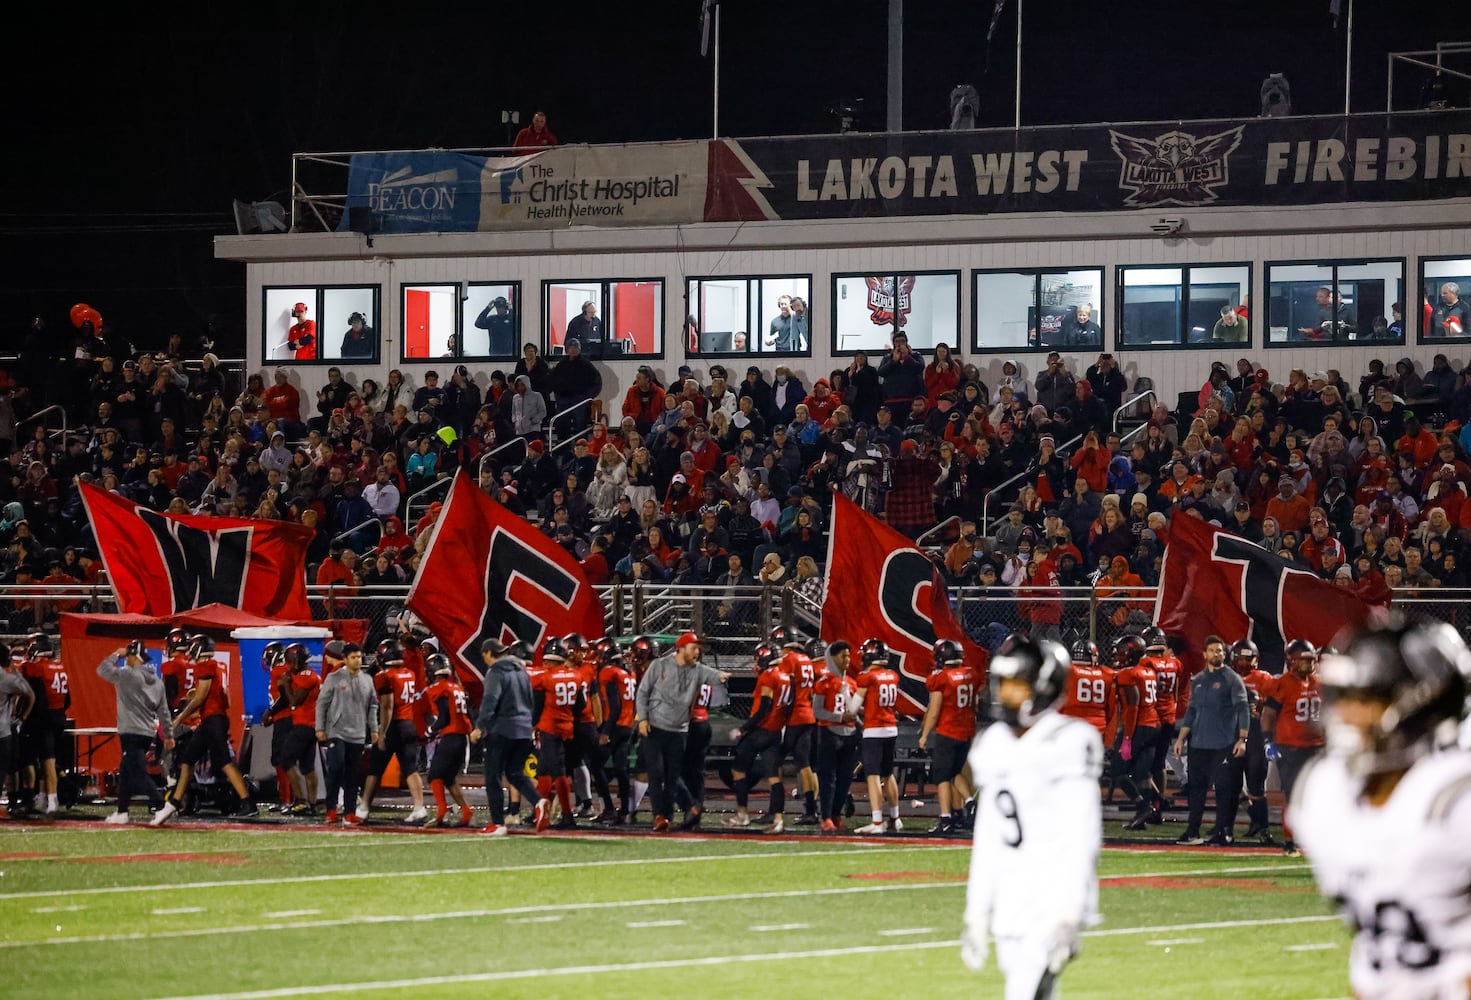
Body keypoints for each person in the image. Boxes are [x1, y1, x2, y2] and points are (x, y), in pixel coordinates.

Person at [1295, 620, 1471, 1000]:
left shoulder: (1456, 799)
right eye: (1344, 697)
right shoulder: (1324, 794)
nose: (1349, 714)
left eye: (1368, 699)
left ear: (1425, 703)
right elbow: (1378, 953)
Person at [961, 634, 1102, 1000]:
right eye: (1002, 684)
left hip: (1050, 893)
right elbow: (989, 835)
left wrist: (1071, 910)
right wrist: (977, 910)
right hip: (1011, 895)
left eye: (1015, 685)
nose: (1004, 694)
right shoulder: (993, 743)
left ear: (1043, 687)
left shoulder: (1069, 740)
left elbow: (1081, 833)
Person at [151, 634, 259, 824]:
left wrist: (180, 719)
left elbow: (199, 698)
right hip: (211, 719)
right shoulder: (214, 667)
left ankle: (248, 803)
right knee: (188, 759)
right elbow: (226, 698)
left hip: (213, 720)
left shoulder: (206, 666)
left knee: (225, 763)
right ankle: (175, 802)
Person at [635, 631, 729, 832]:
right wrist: (643, 718)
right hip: (655, 727)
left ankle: (670, 814)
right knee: (656, 772)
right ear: (682, 648)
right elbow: (643, 692)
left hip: (679, 730)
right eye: (693, 648)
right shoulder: (659, 665)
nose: (697, 652)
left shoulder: (697, 669)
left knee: (672, 776)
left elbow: (712, 674)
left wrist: (721, 676)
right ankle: (660, 815)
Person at [1172, 635, 1250, 846]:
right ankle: (1193, 831)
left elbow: (1243, 709)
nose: (1218, 654)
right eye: (1214, 650)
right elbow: (1191, 711)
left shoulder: (1232, 679)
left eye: (1221, 651)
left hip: (1223, 744)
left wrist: (1242, 739)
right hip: (1198, 743)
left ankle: (1223, 831)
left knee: (1224, 790)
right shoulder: (1198, 680)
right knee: (1196, 789)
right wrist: (1181, 738)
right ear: (1205, 654)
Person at [1259, 638, 1324, 855]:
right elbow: (1268, 714)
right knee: (1293, 796)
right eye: (1302, 660)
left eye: (1310, 659)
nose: (1308, 664)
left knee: (1319, 795)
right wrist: (1268, 740)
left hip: (1318, 747)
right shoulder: (1282, 684)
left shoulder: (1321, 683)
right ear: (1291, 661)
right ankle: (1290, 842)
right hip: (1291, 748)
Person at [471, 639, 542, 837]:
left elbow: (491, 700)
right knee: (514, 773)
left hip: (502, 730)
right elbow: (531, 701)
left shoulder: (496, 671)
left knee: (492, 776)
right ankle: (539, 802)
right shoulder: (522, 671)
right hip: (523, 730)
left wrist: (480, 726)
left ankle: (497, 823)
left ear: (488, 653)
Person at [97, 640, 170, 823]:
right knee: (126, 770)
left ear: (132, 656)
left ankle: (161, 805)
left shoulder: (127, 675)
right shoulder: (157, 681)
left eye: (127, 656)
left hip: (131, 731)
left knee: (137, 772)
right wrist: (168, 734)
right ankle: (122, 812)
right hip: (147, 732)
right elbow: (164, 711)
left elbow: (102, 670)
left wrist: (116, 654)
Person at [724, 642, 793, 833]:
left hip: (760, 731)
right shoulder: (786, 676)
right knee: (773, 777)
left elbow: (764, 708)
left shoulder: (769, 676)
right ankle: (778, 820)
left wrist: (744, 728)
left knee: (738, 770)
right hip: (775, 731)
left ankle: (743, 814)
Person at [357, 638, 428, 824]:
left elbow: (387, 707)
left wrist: (382, 733)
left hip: (394, 726)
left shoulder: (384, 676)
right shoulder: (409, 673)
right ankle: (419, 807)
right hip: (409, 724)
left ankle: (363, 807)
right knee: (410, 768)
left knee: (375, 769)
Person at [918, 638, 982, 835]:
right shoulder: (970, 674)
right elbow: (975, 703)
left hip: (948, 731)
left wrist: (924, 735)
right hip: (966, 731)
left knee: (943, 777)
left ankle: (945, 818)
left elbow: (935, 711)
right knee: (955, 772)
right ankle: (969, 802)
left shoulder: (942, 678)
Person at [315, 639, 379, 824]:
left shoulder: (367, 680)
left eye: (359, 657)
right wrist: (320, 727)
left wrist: (373, 728)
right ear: (345, 658)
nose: (358, 660)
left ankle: (350, 812)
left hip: (358, 733)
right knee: (335, 768)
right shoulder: (334, 678)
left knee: (353, 773)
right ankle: (331, 809)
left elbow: (373, 706)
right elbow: (322, 704)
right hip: (337, 732)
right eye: (353, 657)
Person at [852, 638, 903, 834]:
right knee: (888, 774)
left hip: (874, 730)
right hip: (891, 728)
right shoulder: (892, 676)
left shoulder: (867, 677)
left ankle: (876, 822)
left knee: (872, 776)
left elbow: (853, 709)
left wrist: (845, 694)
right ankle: (895, 817)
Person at [421, 653, 475, 828]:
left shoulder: (440, 688)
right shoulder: (455, 687)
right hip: (462, 737)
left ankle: (442, 811)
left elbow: (444, 718)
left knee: (434, 776)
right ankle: (466, 811)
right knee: (449, 778)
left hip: (451, 736)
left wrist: (429, 731)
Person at [813, 640, 859, 833]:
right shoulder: (824, 683)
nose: (847, 659)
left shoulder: (851, 683)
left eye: (848, 655)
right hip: (829, 733)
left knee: (845, 778)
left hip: (849, 734)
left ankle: (836, 813)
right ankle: (826, 817)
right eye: (843, 656)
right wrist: (840, 716)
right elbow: (817, 711)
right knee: (828, 778)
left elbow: (855, 709)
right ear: (832, 658)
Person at [20, 632, 69, 814]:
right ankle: (43, 795)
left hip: (45, 720)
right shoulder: (60, 666)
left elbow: (37, 695)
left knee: (48, 762)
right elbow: (68, 700)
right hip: (59, 717)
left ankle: (53, 799)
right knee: (45, 760)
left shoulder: (39, 668)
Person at [282, 643, 323, 816]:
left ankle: (300, 800)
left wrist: (285, 684)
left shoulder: (306, 676)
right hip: (311, 725)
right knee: (307, 766)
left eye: (290, 660)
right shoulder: (308, 675)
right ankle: (312, 803)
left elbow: (294, 701)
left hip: (304, 725)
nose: (289, 664)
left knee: (286, 758)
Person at [0, 644, 36, 817]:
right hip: (4, 730)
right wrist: (23, 718)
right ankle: (12, 803)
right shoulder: (7, 678)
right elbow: (30, 693)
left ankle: (13, 802)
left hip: (6, 727)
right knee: (7, 768)